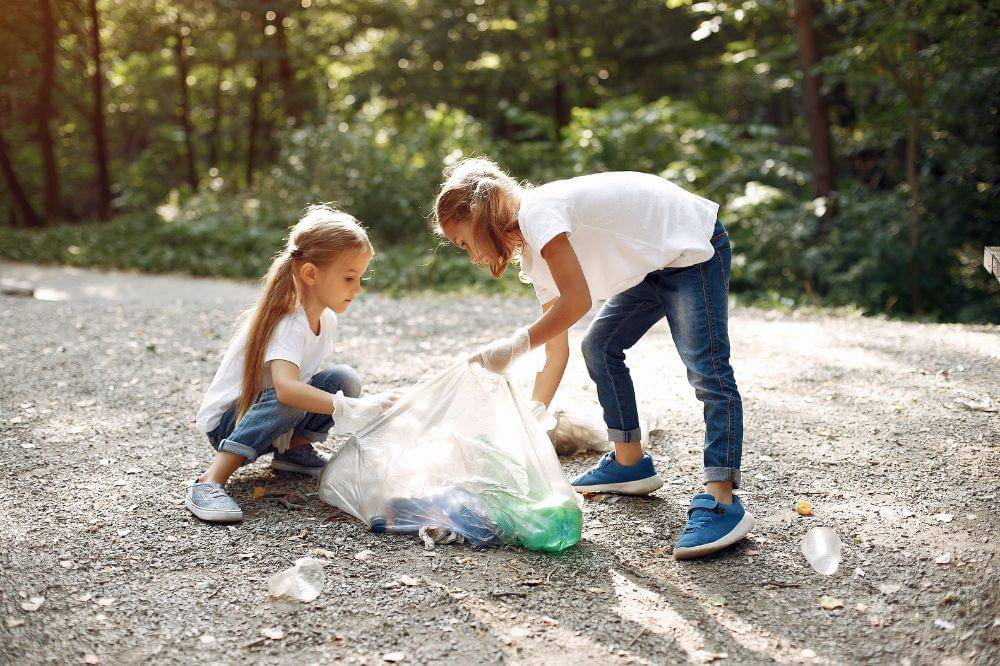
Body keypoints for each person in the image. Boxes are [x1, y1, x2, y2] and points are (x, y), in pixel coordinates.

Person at [435, 158, 752, 559]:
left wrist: (513, 345)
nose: (469, 255)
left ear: (480, 220)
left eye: (464, 243)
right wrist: (532, 417)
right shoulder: (534, 255)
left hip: (691, 249)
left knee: (707, 369)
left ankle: (722, 499)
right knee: (599, 346)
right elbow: (556, 347)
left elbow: (577, 302)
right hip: (653, 262)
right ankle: (629, 462)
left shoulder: (538, 213)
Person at [187, 204, 398, 523]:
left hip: (270, 414)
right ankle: (210, 480)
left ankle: (293, 452)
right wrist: (357, 407)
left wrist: (350, 401)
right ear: (311, 273)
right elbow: (286, 391)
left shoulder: (325, 319)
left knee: (343, 378)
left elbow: (305, 384)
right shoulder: (289, 321)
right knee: (293, 396)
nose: (357, 289)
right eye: (349, 277)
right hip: (229, 426)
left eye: (361, 278)